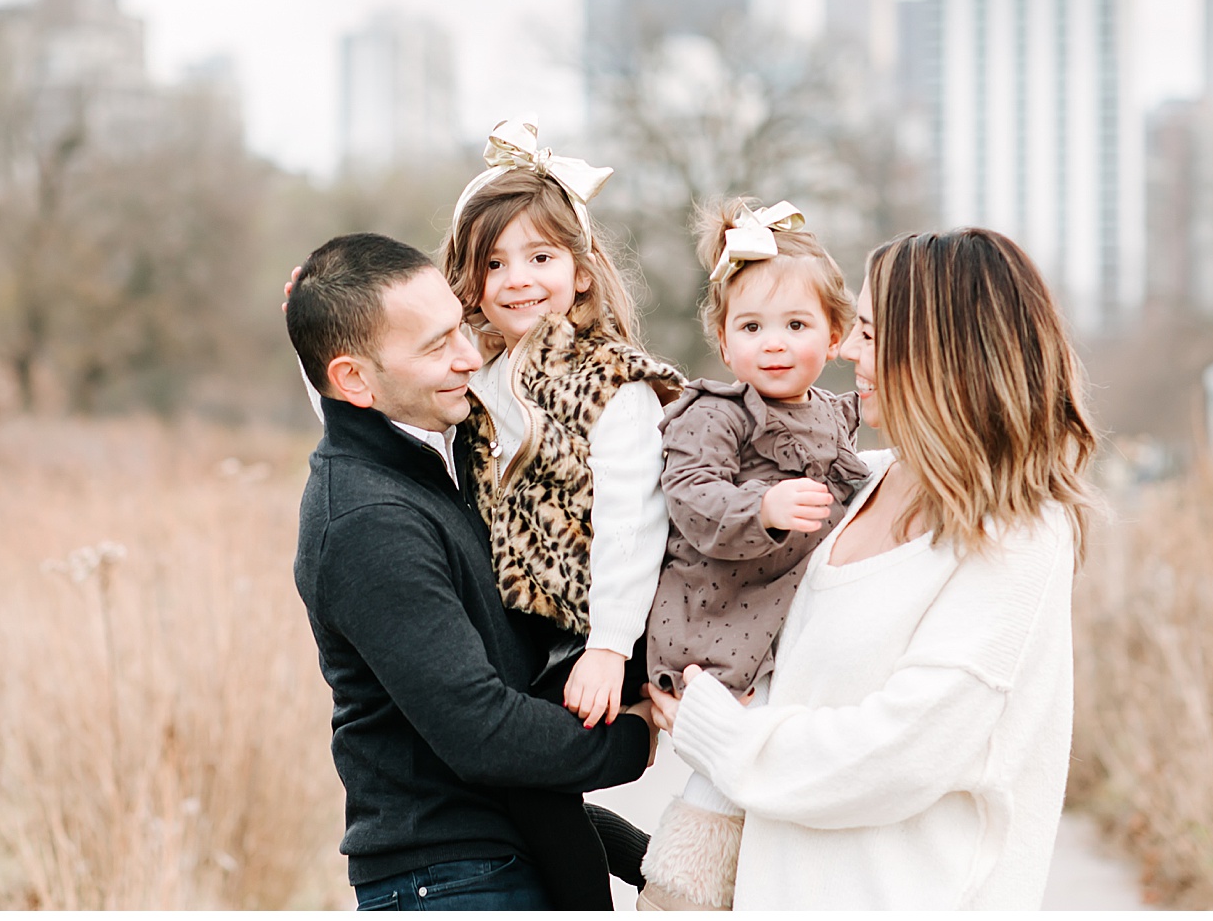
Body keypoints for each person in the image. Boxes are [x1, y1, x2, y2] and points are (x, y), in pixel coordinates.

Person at [646, 227, 1102, 909]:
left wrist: (722, 734)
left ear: (941, 354)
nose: (848, 350)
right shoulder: (857, 483)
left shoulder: (1018, 531)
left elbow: (901, 752)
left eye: (868, 331)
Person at [286, 231, 657, 911]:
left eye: (460, 328)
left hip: (495, 861)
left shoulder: (432, 451)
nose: (467, 355)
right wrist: (641, 729)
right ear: (353, 379)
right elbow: (483, 731)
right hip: (452, 882)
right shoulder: (369, 520)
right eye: (435, 346)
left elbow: (348, 391)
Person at [438, 122, 685, 891]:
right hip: (527, 626)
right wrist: (321, 373)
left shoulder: (614, 380)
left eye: (541, 257)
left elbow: (631, 523)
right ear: (470, 283)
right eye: (495, 263)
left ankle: (624, 883)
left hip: (608, 620)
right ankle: (653, 869)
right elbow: (383, 411)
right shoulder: (480, 376)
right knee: (519, 781)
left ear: (579, 271)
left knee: (523, 774)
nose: (518, 279)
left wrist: (610, 647)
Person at [635, 198, 870, 910]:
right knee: (725, 772)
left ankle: (762, 886)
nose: (774, 343)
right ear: (724, 340)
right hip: (715, 619)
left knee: (774, 771)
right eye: (752, 326)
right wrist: (761, 509)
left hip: (784, 629)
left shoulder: (838, 414)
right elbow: (690, 496)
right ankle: (681, 890)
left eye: (796, 325)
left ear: (834, 335)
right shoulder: (715, 414)